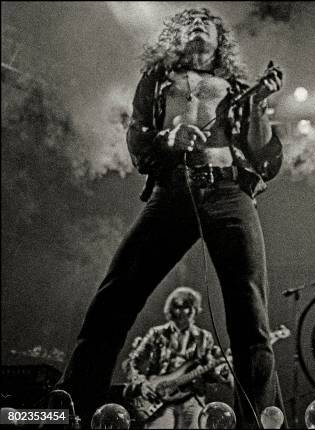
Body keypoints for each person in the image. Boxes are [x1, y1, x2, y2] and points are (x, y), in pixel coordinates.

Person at [55, 7, 284, 428]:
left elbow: (266, 159)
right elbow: (138, 140)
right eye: (189, 23)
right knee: (114, 299)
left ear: (220, 40)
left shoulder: (237, 88)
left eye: (207, 23)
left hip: (229, 192)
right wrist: (169, 137)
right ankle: (67, 409)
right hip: (174, 192)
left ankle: (261, 422)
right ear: (175, 39)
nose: (198, 26)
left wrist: (260, 107)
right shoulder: (157, 81)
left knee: (250, 314)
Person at [122, 287, 232, 429]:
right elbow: (131, 362)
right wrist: (142, 384)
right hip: (158, 399)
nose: (181, 312)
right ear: (170, 309)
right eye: (177, 307)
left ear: (194, 310)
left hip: (192, 398)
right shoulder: (157, 333)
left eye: (186, 307)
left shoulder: (204, 337)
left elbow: (210, 371)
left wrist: (220, 372)